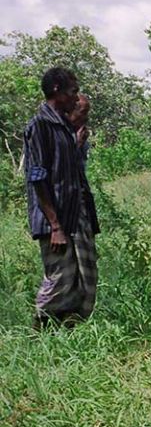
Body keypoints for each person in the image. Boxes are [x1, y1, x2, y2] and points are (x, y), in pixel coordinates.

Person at [24, 68, 100, 329]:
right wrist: (55, 226)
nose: (76, 97)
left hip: (74, 215)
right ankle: (38, 335)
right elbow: (38, 177)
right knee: (59, 281)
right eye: (73, 91)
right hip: (54, 221)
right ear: (56, 90)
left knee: (83, 280)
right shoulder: (40, 126)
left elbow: (69, 173)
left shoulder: (65, 128)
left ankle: (69, 332)